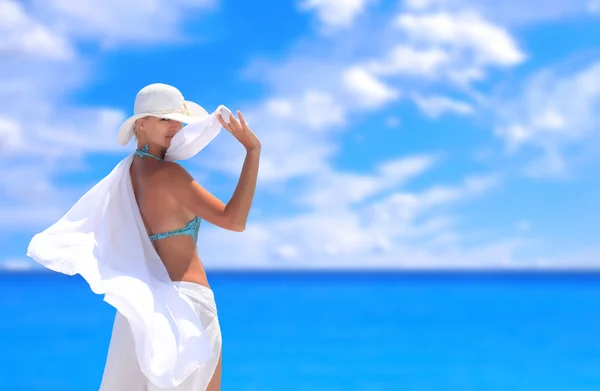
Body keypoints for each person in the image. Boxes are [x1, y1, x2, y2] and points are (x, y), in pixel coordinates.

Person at [27, 83, 261, 391]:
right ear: (141, 123)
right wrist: (252, 151)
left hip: (140, 309)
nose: (175, 127)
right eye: (165, 119)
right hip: (187, 308)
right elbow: (234, 220)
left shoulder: (127, 175)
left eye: (179, 119)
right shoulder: (169, 175)